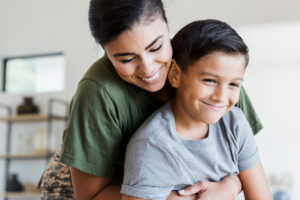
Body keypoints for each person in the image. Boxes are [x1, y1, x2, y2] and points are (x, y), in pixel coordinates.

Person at [40, 0, 263, 199]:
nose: (148, 69)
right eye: (126, 58)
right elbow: (91, 195)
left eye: (156, 46)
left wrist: (230, 185)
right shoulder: (98, 92)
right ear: (106, 52)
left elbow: (243, 159)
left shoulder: (211, 72)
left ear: (165, 19)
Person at [121, 19, 272, 200]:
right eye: (210, 81)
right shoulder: (152, 146)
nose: (221, 97)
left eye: (233, 84)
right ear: (175, 75)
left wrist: (232, 185)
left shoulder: (235, 124)